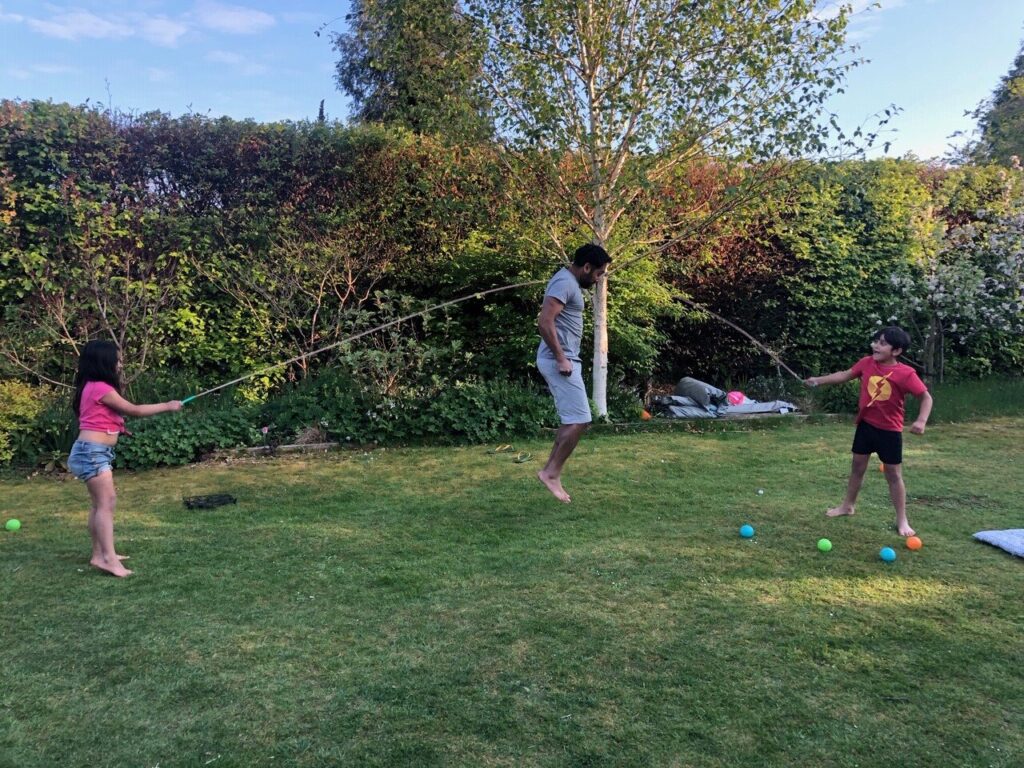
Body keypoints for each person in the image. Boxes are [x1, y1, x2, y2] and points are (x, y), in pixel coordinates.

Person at [67, 340, 182, 576]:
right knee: (106, 504)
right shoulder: (100, 388)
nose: (120, 364)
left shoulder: (91, 386)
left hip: (94, 451)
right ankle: (108, 559)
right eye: (117, 360)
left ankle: (100, 554)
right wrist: (168, 405)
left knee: (100, 504)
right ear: (104, 362)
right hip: (92, 452)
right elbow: (135, 410)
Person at [805, 326, 933, 537]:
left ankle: (902, 519)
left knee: (893, 475)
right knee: (857, 466)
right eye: (875, 341)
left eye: (882, 343)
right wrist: (818, 380)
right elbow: (845, 375)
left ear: (896, 351)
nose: (875, 345)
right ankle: (847, 506)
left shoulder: (906, 374)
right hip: (866, 426)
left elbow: (926, 397)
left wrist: (921, 420)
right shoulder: (867, 363)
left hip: (889, 431)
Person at [535, 243, 611, 503]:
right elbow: (544, 322)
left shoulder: (567, 282)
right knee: (580, 419)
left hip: (567, 360)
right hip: (559, 361)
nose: (599, 279)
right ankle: (550, 472)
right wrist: (560, 358)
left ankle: (551, 471)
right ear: (586, 267)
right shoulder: (565, 283)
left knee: (575, 419)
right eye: (598, 273)